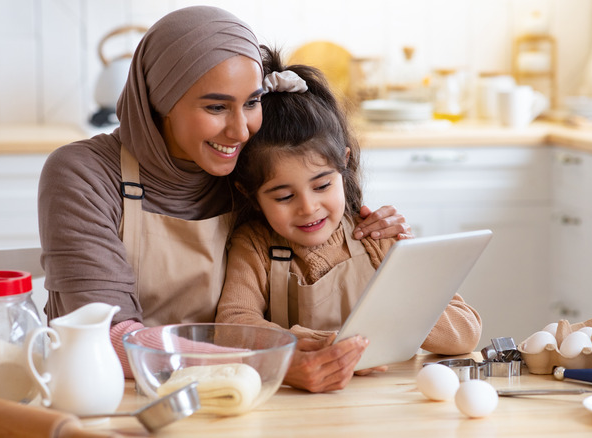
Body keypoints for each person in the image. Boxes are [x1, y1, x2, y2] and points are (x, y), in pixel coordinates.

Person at [37, 6, 411, 391]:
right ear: (159, 100)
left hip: (240, 394)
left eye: (251, 103)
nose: (240, 130)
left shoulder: (247, 168)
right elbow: (108, 339)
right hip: (107, 394)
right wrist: (264, 364)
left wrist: (378, 238)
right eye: (216, 107)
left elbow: (312, 236)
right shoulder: (82, 173)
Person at [215, 47, 482, 391]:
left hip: (382, 405)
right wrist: (318, 342)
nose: (308, 207)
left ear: (344, 163)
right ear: (250, 193)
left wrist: (405, 282)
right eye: (283, 196)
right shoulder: (254, 244)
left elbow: (466, 333)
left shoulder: (377, 235)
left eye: (323, 184)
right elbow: (233, 327)